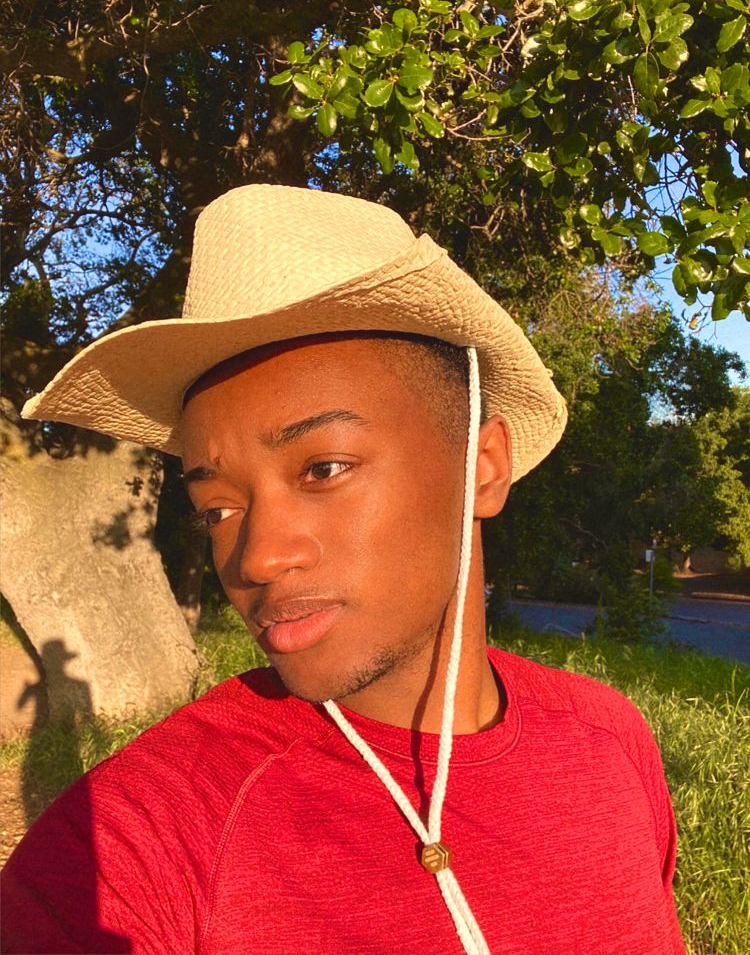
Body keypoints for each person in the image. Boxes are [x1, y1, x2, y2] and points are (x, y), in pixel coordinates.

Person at [1, 185, 684, 954]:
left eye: (323, 468)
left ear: (483, 467)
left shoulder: (611, 745)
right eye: (216, 508)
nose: (256, 558)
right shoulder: (130, 843)